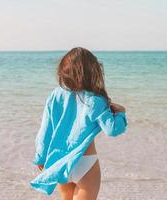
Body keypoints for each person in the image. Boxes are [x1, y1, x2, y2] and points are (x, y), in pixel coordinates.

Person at [30, 47, 128, 200]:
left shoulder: (56, 95)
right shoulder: (96, 100)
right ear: (92, 72)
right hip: (85, 163)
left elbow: (45, 130)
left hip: (61, 161)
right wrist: (120, 113)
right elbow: (113, 130)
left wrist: (41, 157)